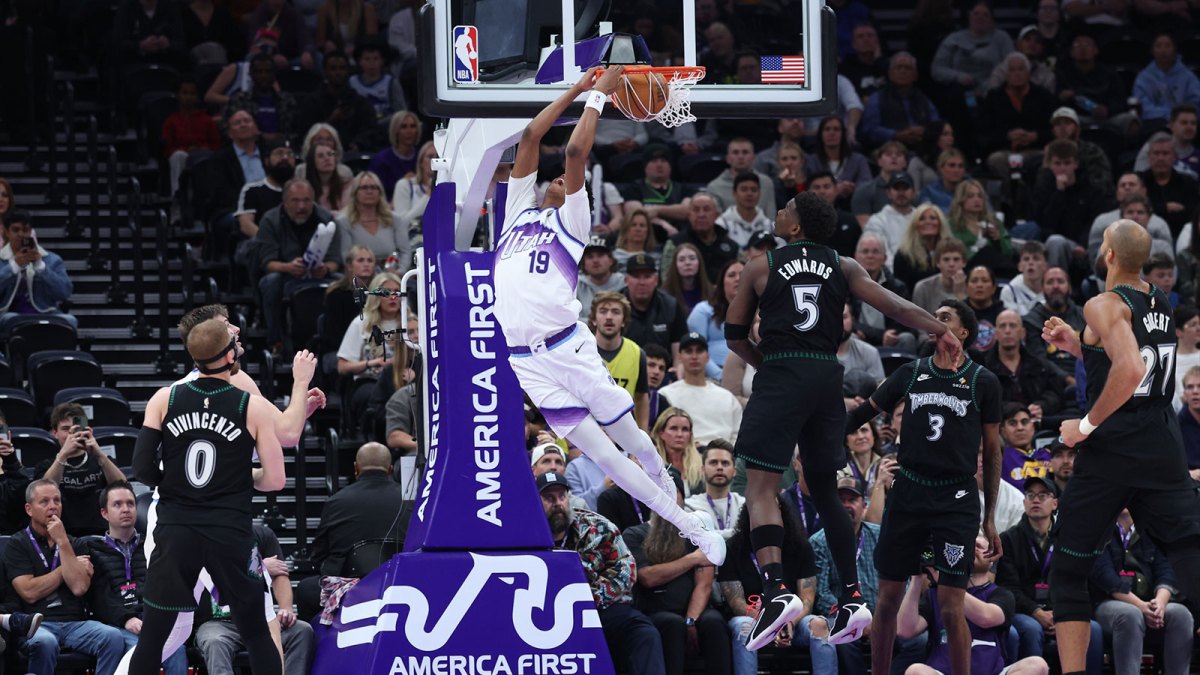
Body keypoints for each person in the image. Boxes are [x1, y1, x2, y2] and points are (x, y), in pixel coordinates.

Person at [492, 66, 724, 565]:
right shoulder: (516, 214)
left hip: (567, 349)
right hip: (524, 361)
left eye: (564, 181)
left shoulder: (571, 221)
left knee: (631, 443)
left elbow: (575, 152)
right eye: (550, 178)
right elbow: (533, 135)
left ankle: (666, 481)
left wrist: (598, 97)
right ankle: (690, 527)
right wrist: (574, 90)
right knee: (601, 456)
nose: (556, 178)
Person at [724, 191, 960, 650]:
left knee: (760, 487)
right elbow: (895, 305)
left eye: (787, 207)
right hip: (826, 378)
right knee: (826, 488)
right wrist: (940, 329)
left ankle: (774, 590)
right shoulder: (844, 265)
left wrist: (766, 363)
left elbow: (734, 334)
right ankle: (852, 598)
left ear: (795, 228)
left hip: (783, 372)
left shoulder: (761, 264)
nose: (779, 210)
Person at [1040, 220, 1200, 675]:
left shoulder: (1102, 303)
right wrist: (1080, 346)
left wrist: (1084, 427)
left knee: (1068, 572)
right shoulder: (1157, 298)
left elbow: (1129, 370)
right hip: (1162, 442)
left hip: (1114, 448)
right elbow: (1143, 363)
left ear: (1107, 254)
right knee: (1190, 556)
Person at [844, 298, 1003, 675]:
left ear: (963, 332)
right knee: (886, 600)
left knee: (951, 605)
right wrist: (818, 424)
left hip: (956, 498)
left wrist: (990, 517)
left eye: (945, 318)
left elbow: (993, 453)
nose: (936, 321)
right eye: (935, 316)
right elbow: (861, 415)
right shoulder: (910, 373)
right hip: (911, 492)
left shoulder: (984, 381)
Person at [122, 318, 289, 675]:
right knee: (257, 632)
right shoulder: (252, 406)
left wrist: (178, 481)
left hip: (176, 527)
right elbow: (275, 480)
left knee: (153, 636)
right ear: (230, 356)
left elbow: (141, 470)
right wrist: (239, 478)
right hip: (229, 530)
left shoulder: (164, 398)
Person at [537, 471, 667, 675]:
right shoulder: (523, 533)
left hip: (599, 607)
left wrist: (587, 600)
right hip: (539, 613)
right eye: (549, 498)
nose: (558, 504)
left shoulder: (596, 526)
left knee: (643, 632)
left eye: (562, 497)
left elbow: (626, 570)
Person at [7, 479, 125, 675]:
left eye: (57, 501)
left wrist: (62, 541)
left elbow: (79, 587)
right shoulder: (17, 544)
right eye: (44, 502)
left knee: (112, 637)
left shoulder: (74, 543)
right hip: (35, 624)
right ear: (29, 509)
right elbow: (29, 592)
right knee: (45, 642)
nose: (53, 506)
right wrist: (66, 568)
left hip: (75, 624)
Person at [621, 472, 729, 675]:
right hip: (653, 609)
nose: (666, 497)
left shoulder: (697, 532)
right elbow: (647, 577)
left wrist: (691, 621)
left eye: (672, 491)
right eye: (659, 491)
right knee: (671, 624)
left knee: (714, 623)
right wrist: (693, 558)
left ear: (682, 497)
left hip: (695, 609)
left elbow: (703, 584)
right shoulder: (634, 534)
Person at [898, 536, 1050, 675]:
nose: (973, 548)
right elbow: (904, 630)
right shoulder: (934, 594)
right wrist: (916, 579)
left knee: (1037, 665)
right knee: (915, 671)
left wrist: (947, 585)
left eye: (979, 545)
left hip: (992, 672)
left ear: (992, 560)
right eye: (970, 545)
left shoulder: (1001, 594)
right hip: (944, 672)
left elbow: (986, 617)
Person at [996, 476, 1103, 670]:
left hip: (1061, 607)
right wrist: (1037, 612)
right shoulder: (1008, 539)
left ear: (1055, 504)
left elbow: (1077, 580)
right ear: (1024, 502)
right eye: (1030, 495)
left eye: (1042, 495)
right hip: (1026, 611)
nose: (1035, 500)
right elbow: (1009, 588)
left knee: (1093, 629)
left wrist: (1059, 613)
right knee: (1031, 628)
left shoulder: (1069, 538)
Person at [721, 497, 836, 674]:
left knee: (819, 624)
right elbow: (736, 602)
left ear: (783, 516)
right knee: (743, 627)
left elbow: (807, 599)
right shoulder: (734, 548)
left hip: (793, 621)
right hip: (753, 618)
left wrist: (787, 621)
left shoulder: (800, 547)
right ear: (750, 516)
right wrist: (769, 622)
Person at [88, 482, 189, 675]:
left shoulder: (155, 544)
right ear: (104, 513)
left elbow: (166, 587)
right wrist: (126, 619)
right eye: (117, 504)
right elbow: (99, 598)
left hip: (154, 619)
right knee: (142, 652)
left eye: (130, 504)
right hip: (116, 625)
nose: (126, 509)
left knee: (176, 649)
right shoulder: (93, 549)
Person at [297, 442, 405, 620]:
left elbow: (318, 555)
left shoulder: (336, 502)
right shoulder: (411, 500)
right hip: (399, 582)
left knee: (305, 589)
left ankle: (317, 646)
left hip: (350, 587)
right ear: (391, 469)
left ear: (356, 468)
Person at [194, 523, 314, 675]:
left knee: (302, 631)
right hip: (219, 624)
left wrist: (286, 608)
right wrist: (261, 567)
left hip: (260, 619)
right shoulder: (202, 538)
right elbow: (219, 576)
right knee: (215, 641)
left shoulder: (262, 534)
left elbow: (280, 574)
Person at [1091, 509, 1194, 675]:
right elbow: (1105, 576)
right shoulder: (1099, 530)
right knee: (1130, 614)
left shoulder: (1151, 529)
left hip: (1150, 600)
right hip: (1109, 602)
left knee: (1180, 613)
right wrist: (1141, 606)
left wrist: (1160, 603)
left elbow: (1166, 570)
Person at [255, 179, 341, 351]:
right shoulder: (270, 220)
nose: (301, 206)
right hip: (285, 275)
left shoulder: (326, 219)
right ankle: (275, 341)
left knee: (343, 283)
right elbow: (267, 263)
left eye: (307, 200)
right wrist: (288, 267)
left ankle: (339, 341)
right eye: (295, 200)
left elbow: (335, 260)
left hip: (319, 275)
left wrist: (326, 268)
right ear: (285, 202)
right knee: (271, 281)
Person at [35, 403, 127, 536]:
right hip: (61, 534)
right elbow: (45, 490)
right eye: (66, 429)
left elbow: (123, 486)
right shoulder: (45, 466)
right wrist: (64, 454)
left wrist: (99, 454)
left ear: (89, 430)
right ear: (55, 433)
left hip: (101, 534)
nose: (72, 434)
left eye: (76, 429)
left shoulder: (102, 460)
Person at [983, 310, 1069, 421]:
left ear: (1022, 333)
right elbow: (983, 402)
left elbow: (1056, 394)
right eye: (1002, 326)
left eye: (1013, 326)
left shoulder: (1039, 365)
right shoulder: (983, 367)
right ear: (995, 334)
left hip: (1037, 425)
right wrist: (1016, 410)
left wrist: (1041, 406)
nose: (1007, 331)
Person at [659, 333, 742, 446]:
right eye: (688, 351)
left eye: (699, 351)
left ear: (708, 356)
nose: (694, 356)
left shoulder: (727, 397)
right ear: (679, 356)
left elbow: (737, 435)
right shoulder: (666, 394)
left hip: (722, 457)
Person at [0, 210, 75, 332]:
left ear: (31, 232)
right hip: (8, 313)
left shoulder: (52, 260)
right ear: (7, 232)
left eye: (25, 230)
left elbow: (65, 292)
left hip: (46, 313)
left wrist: (41, 266)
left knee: (70, 320)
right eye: (16, 230)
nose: (21, 234)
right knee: (11, 319)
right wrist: (14, 266)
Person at [590, 291, 650, 430]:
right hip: (587, 435)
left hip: (623, 434)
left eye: (616, 312)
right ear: (593, 319)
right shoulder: (579, 351)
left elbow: (641, 398)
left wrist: (642, 438)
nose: (609, 317)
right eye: (603, 311)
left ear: (624, 321)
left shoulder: (637, 353)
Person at [297, 52, 375, 151]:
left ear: (348, 71)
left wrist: (358, 144)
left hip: (353, 154)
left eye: (342, 68)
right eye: (333, 69)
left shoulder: (360, 102)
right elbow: (305, 134)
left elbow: (371, 130)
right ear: (325, 71)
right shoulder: (312, 102)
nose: (338, 73)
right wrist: (332, 120)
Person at [861, 52, 941, 149]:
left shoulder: (924, 99)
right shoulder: (877, 98)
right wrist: (896, 135)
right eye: (898, 67)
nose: (903, 71)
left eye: (907, 68)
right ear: (890, 74)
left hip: (922, 149)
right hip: (888, 150)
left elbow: (937, 126)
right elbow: (869, 129)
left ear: (915, 75)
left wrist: (925, 132)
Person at [622, 254, 689, 361]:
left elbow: (679, 349)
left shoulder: (671, 306)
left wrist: (677, 369)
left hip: (662, 370)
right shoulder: (615, 307)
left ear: (656, 280)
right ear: (626, 280)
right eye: (636, 276)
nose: (642, 282)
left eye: (647, 276)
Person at [688, 260, 743, 380]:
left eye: (742, 274)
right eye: (731, 275)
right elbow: (697, 349)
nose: (738, 279)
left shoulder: (760, 311)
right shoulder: (703, 310)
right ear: (722, 282)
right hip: (713, 376)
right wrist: (720, 376)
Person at [1137, 132, 1200, 237]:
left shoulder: (1189, 183)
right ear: (1149, 156)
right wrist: (1165, 208)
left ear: (1175, 156)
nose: (1160, 158)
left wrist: (1155, 208)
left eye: (1165, 153)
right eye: (1156, 153)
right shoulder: (1139, 181)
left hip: (1182, 235)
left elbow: (1193, 213)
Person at [1132, 33, 1200, 127]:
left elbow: (1195, 102)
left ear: (1175, 49)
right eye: (1158, 46)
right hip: (1154, 123)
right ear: (1152, 51)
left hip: (1184, 123)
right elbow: (1142, 105)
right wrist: (1168, 115)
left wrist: (1179, 117)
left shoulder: (1188, 76)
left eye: (1168, 46)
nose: (1163, 50)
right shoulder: (1144, 77)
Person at [684, 440, 743, 539]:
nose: (719, 467)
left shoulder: (743, 505)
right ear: (702, 470)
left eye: (725, 463)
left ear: (734, 471)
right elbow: (700, 537)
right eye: (713, 463)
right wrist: (736, 533)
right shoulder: (690, 506)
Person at [705, 138, 776, 217]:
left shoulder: (766, 183)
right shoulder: (714, 187)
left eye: (745, 152)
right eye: (735, 152)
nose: (740, 156)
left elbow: (771, 217)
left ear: (753, 157)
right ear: (728, 158)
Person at [863, 171, 917, 264]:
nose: (901, 193)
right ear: (888, 193)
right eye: (896, 188)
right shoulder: (877, 221)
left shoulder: (922, 218)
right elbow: (878, 252)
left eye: (905, 188)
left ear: (913, 192)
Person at [368, 111, 421, 203]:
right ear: (395, 130)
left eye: (413, 126)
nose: (409, 131)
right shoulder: (381, 160)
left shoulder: (422, 157)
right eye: (403, 127)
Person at [999, 403, 1051, 489]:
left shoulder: (1049, 454)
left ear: (1033, 428)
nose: (1020, 428)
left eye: (1024, 422)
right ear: (1003, 431)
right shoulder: (999, 458)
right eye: (1012, 423)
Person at [715, 173, 773, 248]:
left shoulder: (770, 226)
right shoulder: (721, 225)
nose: (749, 193)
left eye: (753, 190)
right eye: (744, 189)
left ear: (760, 194)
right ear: (734, 193)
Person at [910, 238, 968, 315]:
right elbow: (916, 321)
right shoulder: (923, 288)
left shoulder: (974, 286)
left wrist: (961, 295)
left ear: (964, 262)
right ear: (937, 263)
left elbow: (975, 322)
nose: (951, 264)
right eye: (946, 259)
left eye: (956, 259)